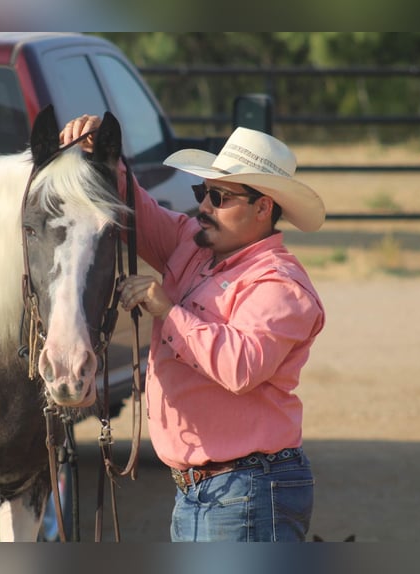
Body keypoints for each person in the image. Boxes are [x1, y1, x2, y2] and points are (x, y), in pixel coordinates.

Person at [61, 115, 326, 542]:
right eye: (204, 192)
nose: (204, 206)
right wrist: (105, 157)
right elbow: (140, 212)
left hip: (246, 487)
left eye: (220, 197)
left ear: (263, 208)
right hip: (216, 488)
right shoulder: (193, 244)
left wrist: (168, 309)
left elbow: (240, 367)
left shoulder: (280, 285)